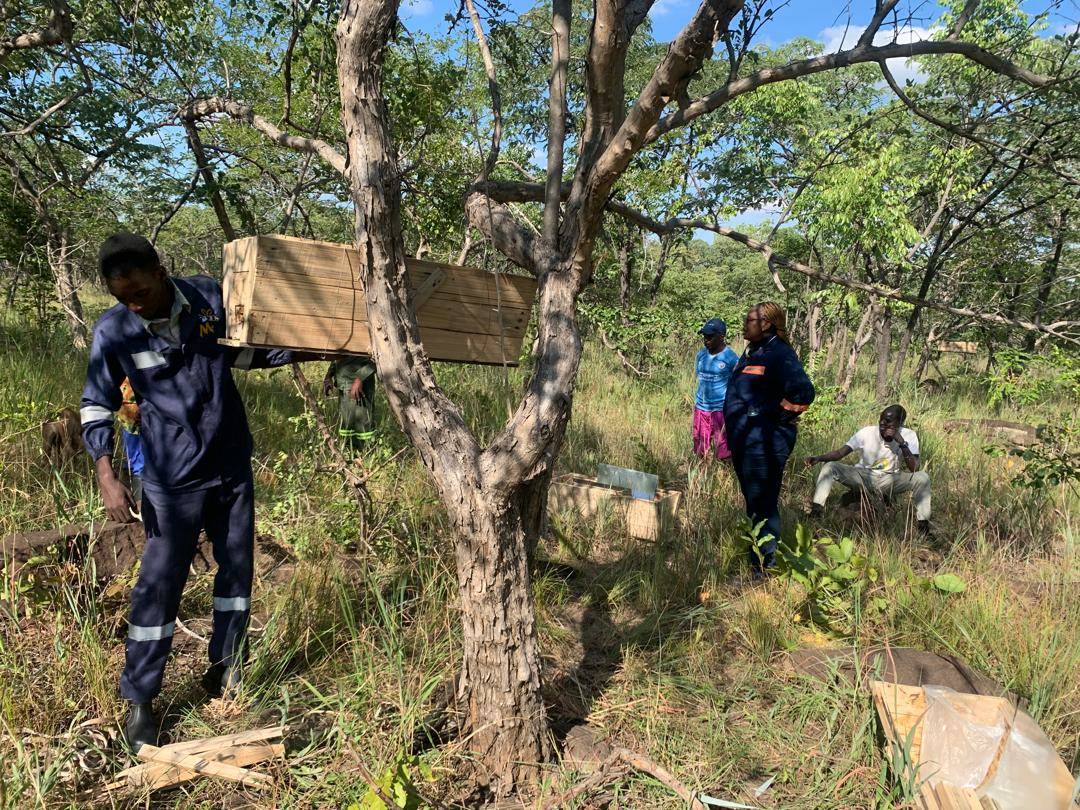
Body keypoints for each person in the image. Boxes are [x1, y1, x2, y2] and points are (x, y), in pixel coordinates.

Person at [80, 233, 296, 752]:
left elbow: (240, 356)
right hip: (171, 480)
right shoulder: (114, 331)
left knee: (236, 572)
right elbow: (95, 402)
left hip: (230, 467)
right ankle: (141, 699)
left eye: (139, 291)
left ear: (160, 269)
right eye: (120, 295)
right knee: (159, 583)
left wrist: (316, 346)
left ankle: (225, 671)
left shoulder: (208, 298)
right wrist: (107, 474)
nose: (133, 302)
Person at [724, 302, 815, 575]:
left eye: (749, 319)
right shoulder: (753, 351)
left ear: (766, 324)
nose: (744, 324)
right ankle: (758, 556)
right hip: (745, 440)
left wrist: (774, 417)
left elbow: (803, 392)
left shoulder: (780, 354)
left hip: (765, 443)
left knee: (763, 501)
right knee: (753, 500)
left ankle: (765, 566)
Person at [805, 404, 932, 537]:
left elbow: (914, 468)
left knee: (922, 477)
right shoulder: (867, 432)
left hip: (890, 479)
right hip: (863, 476)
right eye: (882, 423)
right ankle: (816, 513)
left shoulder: (909, 435)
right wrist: (819, 458)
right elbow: (840, 453)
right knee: (831, 467)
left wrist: (902, 443)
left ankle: (923, 526)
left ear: (900, 424)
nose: (884, 428)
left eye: (889, 425)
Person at [692, 318, 739, 461]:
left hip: (720, 410)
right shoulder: (701, 355)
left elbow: (737, 384)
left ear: (722, 336)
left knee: (723, 449)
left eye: (710, 337)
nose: (706, 340)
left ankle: (723, 477)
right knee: (700, 446)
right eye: (704, 336)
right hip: (701, 408)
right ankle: (702, 475)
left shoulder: (731, 358)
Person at [322, 356, 377, 447]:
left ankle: (368, 452)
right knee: (347, 425)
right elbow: (337, 355)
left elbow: (376, 360)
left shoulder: (366, 341)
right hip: (344, 386)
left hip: (361, 389)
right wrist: (329, 375)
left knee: (364, 426)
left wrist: (359, 379)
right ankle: (349, 453)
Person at [117, 378, 144, 503]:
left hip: (130, 403)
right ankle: (140, 500)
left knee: (134, 456)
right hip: (130, 404)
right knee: (137, 458)